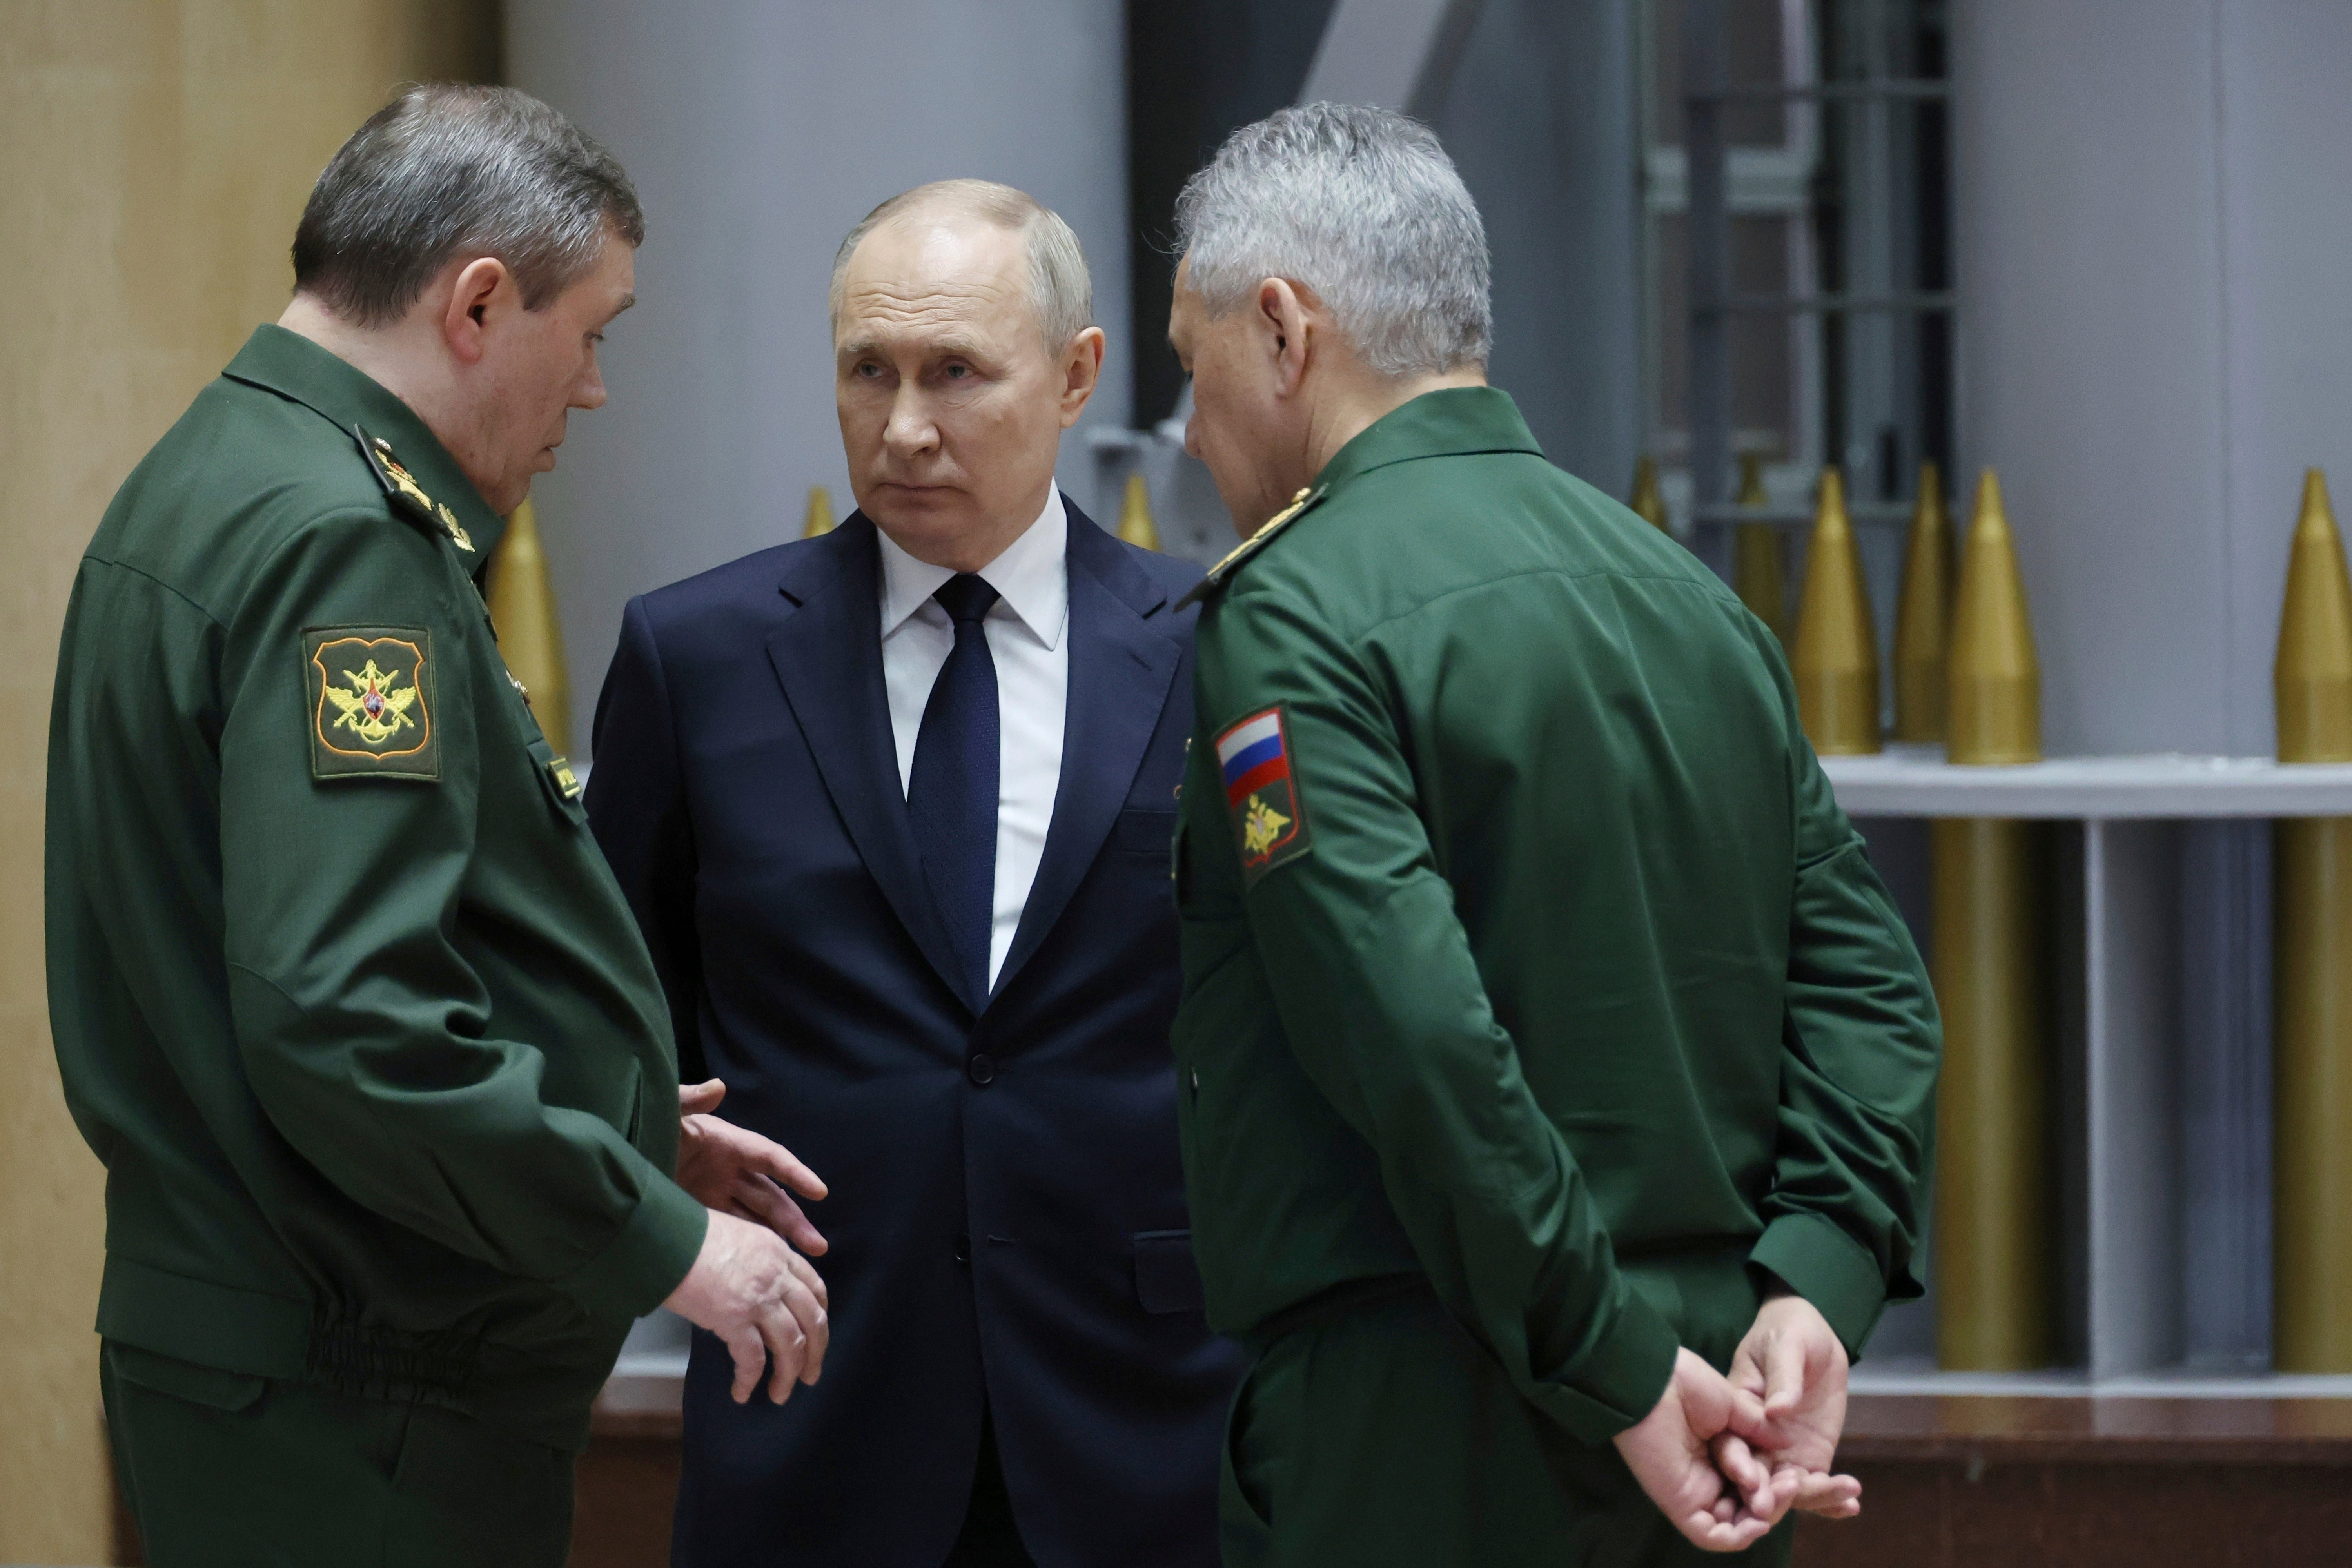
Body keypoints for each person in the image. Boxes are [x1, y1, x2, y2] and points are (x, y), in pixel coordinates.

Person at [46, 85, 831, 1568]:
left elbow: (284, 959)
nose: (595, 390)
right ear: (478, 303)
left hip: (282, 1363)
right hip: (362, 1395)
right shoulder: (347, 545)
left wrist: (613, 1128)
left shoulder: (216, 475)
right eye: (591, 333)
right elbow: (350, 1021)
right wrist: (659, 1239)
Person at [1162, 102, 1941, 1565]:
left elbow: (1412, 1037)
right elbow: (1873, 995)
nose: (1192, 430)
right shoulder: (1689, 599)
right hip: (1725, 1413)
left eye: (1190, 370)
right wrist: (1812, 1289)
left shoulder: (1295, 616)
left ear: (1281, 330)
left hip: (1436, 1416)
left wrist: (1615, 1362)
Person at [587, 180, 1240, 1568]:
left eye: (955, 373)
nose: (904, 429)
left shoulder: (1212, 648)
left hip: (1145, 1415)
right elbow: (612, 1020)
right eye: (866, 372)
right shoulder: (694, 659)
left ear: (1075, 379)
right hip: (815, 1406)